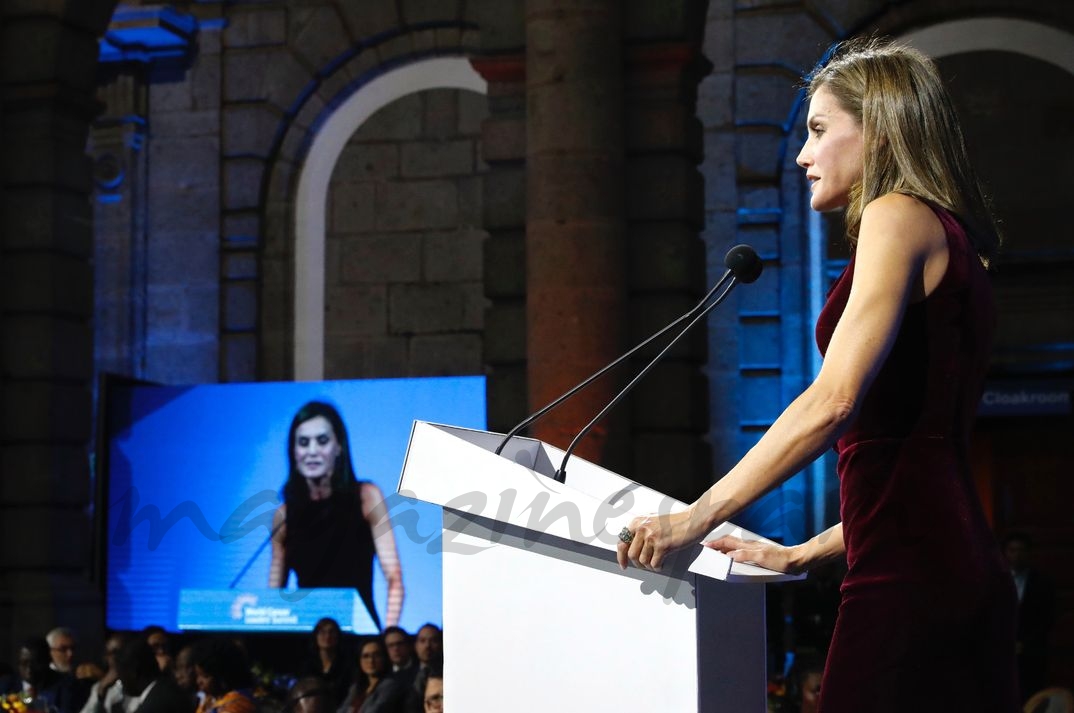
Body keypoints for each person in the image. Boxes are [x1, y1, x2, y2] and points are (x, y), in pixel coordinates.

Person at [616, 37, 1017, 711]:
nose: (803, 154)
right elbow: (915, 459)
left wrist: (696, 515)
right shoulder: (955, 240)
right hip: (954, 561)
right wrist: (804, 553)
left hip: (908, 574)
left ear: (880, 130)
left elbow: (833, 400)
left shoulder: (897, 216)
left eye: (820, 130)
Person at [268, 401, 404, 630]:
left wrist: (388, 637)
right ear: (293, 451)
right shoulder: (284, 515)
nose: (312, 451)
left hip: (360, 637)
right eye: (303, 442)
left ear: (339, 446)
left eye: (322, 441)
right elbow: (273, 595)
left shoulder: (366, 498)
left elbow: (394, 578)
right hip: (307, 638)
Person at [1003, 531, 1055, 701]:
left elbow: (1046, 618)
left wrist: (1025, 643)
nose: (1016, 555)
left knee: (1031, 695)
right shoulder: (998, 581)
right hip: (1002, 650)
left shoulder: (1042, 582)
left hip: (1031, 652)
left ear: (1029, 553)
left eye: (1021, 550)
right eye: (1012, 550)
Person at [114, 639, 195, 713]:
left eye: (121, 675)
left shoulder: (154, 706)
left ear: (133, 672)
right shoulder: (168, 690)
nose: (122, 682)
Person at [337, 639, 406, 713]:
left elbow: (375, 710)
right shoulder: (356, 688)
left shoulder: (390, 686)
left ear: (384, 658)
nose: (371, 661)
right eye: (366, 656)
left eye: (376, 655)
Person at [296, 619, 353, 709]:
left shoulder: (348, 665)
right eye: (322, 632)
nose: (327, 636)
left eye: (331, 632)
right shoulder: (308, 665)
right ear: (316, 636)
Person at [189, 639, 255, 713]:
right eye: (197, 675)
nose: (198, 681)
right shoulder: (210, 700)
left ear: (222, 676)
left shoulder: (238, 704)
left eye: (205, 676)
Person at [78, 632, 128, 713]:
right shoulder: (98, 687)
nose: (114, 657)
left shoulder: (138, 685)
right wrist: (101, 690)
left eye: (117, 652)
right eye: (109, 653)